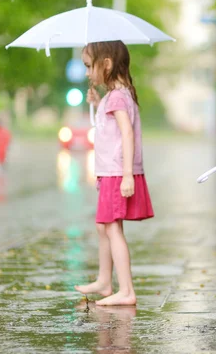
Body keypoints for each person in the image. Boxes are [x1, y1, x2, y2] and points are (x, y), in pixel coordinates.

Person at [74, 41, 154, 306]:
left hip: (118, 172)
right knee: (103, 226)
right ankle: (105, 280)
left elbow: (127, 132)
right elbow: (110, 128)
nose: (87, 72)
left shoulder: (118, 96)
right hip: (111, 172)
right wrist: (98, 102)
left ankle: (127, 290)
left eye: (89, 65)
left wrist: (128, 174)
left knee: (111, 227)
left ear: (106, 64)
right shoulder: (115, 95)